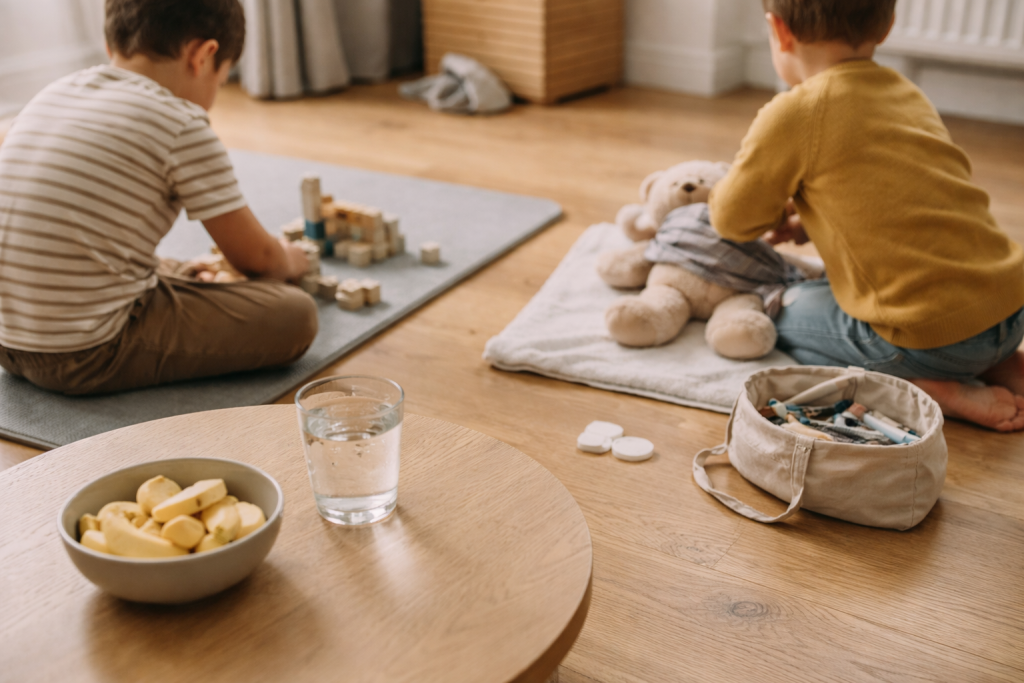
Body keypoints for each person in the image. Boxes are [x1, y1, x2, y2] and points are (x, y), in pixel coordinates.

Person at [708, 0, 1024, 432]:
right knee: (936, 318)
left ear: (779, 31)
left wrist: (769, 207)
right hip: (1007, 308)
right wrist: (809, 223)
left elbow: (730, 219)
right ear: (889, 23)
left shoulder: (795, 112)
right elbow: (902, 202)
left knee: (778, 313)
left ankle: (930, 387)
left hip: (930, 338)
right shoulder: (905, 91)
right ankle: (1000, 363)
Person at [0, 0, 318, 395]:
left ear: (110, 43)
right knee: (295, 314)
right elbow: (259, 261)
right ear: (203, 56)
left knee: (102, 251)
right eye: (220, 83)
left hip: (7, 340)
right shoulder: (181, 123)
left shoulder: (50, 95)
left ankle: (179, 276)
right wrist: (291, 259)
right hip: (84, 353)